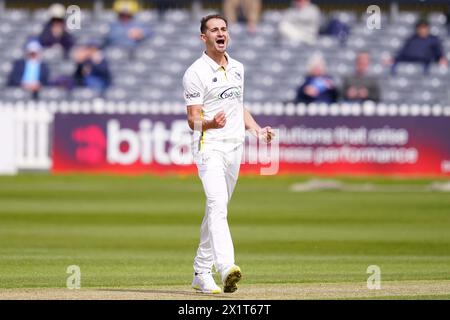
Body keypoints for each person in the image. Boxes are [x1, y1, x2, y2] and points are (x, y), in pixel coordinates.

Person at [182, 14, 274, 294]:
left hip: (236, 147)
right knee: (218, 204)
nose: (220, 33)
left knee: (216, 210)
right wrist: (211, 123)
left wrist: (256, 130)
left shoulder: (238, 68)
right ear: (204, 37)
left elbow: (238, 106)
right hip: (209, 146)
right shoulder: (194, 73)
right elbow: (192, 120)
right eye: (214, 30)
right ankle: (226, 268)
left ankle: (200, 271)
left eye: (224, 29)